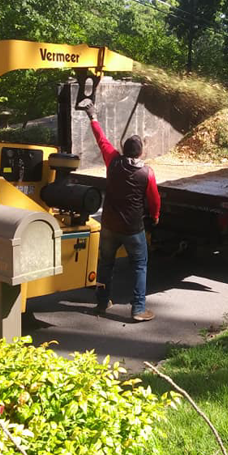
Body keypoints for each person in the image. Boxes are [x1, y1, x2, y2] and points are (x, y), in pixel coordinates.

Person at [79, 98, 160, 322]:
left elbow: (101, 139)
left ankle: (102, 303)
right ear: (141, 152)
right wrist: (154, 216)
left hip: (109, 226)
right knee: (139, 266)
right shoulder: (147, 173)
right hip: (133, 229)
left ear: (124, 150)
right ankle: (138, 309)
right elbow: (154, 200)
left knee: (106, 264)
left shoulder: (113, 161)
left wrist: (93, 116)